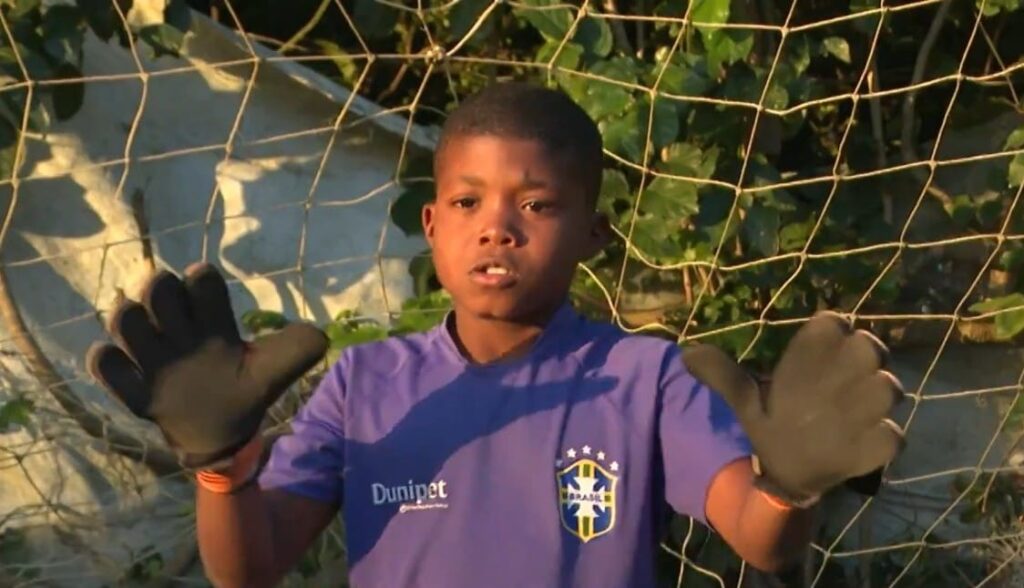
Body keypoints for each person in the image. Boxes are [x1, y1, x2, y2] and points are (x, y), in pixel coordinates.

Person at [85, 81, 905, 588]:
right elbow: (248, 568)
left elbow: (761, 542)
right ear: (433, 225)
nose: (498, 229)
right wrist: (221, 464)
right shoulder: (362, 385)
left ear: (594, 233)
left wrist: (789, 485)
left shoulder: (645, 377)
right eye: (470, 203)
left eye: (539, 204)